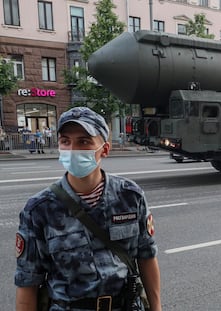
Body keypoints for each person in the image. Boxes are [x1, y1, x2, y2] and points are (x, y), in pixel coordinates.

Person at [15, 107, 162, 311]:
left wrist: (156, 308)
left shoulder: (130, 196)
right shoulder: (39, 209)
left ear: (105, 149)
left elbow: (146, 257)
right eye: (65, 141)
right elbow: (27, 281)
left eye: (84, 141)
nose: (72, 149)